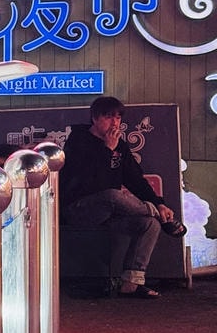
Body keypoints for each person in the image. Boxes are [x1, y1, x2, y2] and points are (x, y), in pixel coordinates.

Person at [59, 96, 186, 298]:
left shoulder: (120, 145)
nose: (115, 123)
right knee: (112, 195)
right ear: (94, 118)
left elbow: (136, 180)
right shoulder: (78, 141)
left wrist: (158, 202)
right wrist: (106, 150)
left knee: (149, 224)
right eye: (109, 117)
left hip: (109, 214)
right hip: (78, 210)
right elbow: (85, 181)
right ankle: (159, 215)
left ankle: (132, 283)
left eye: (118, 118)